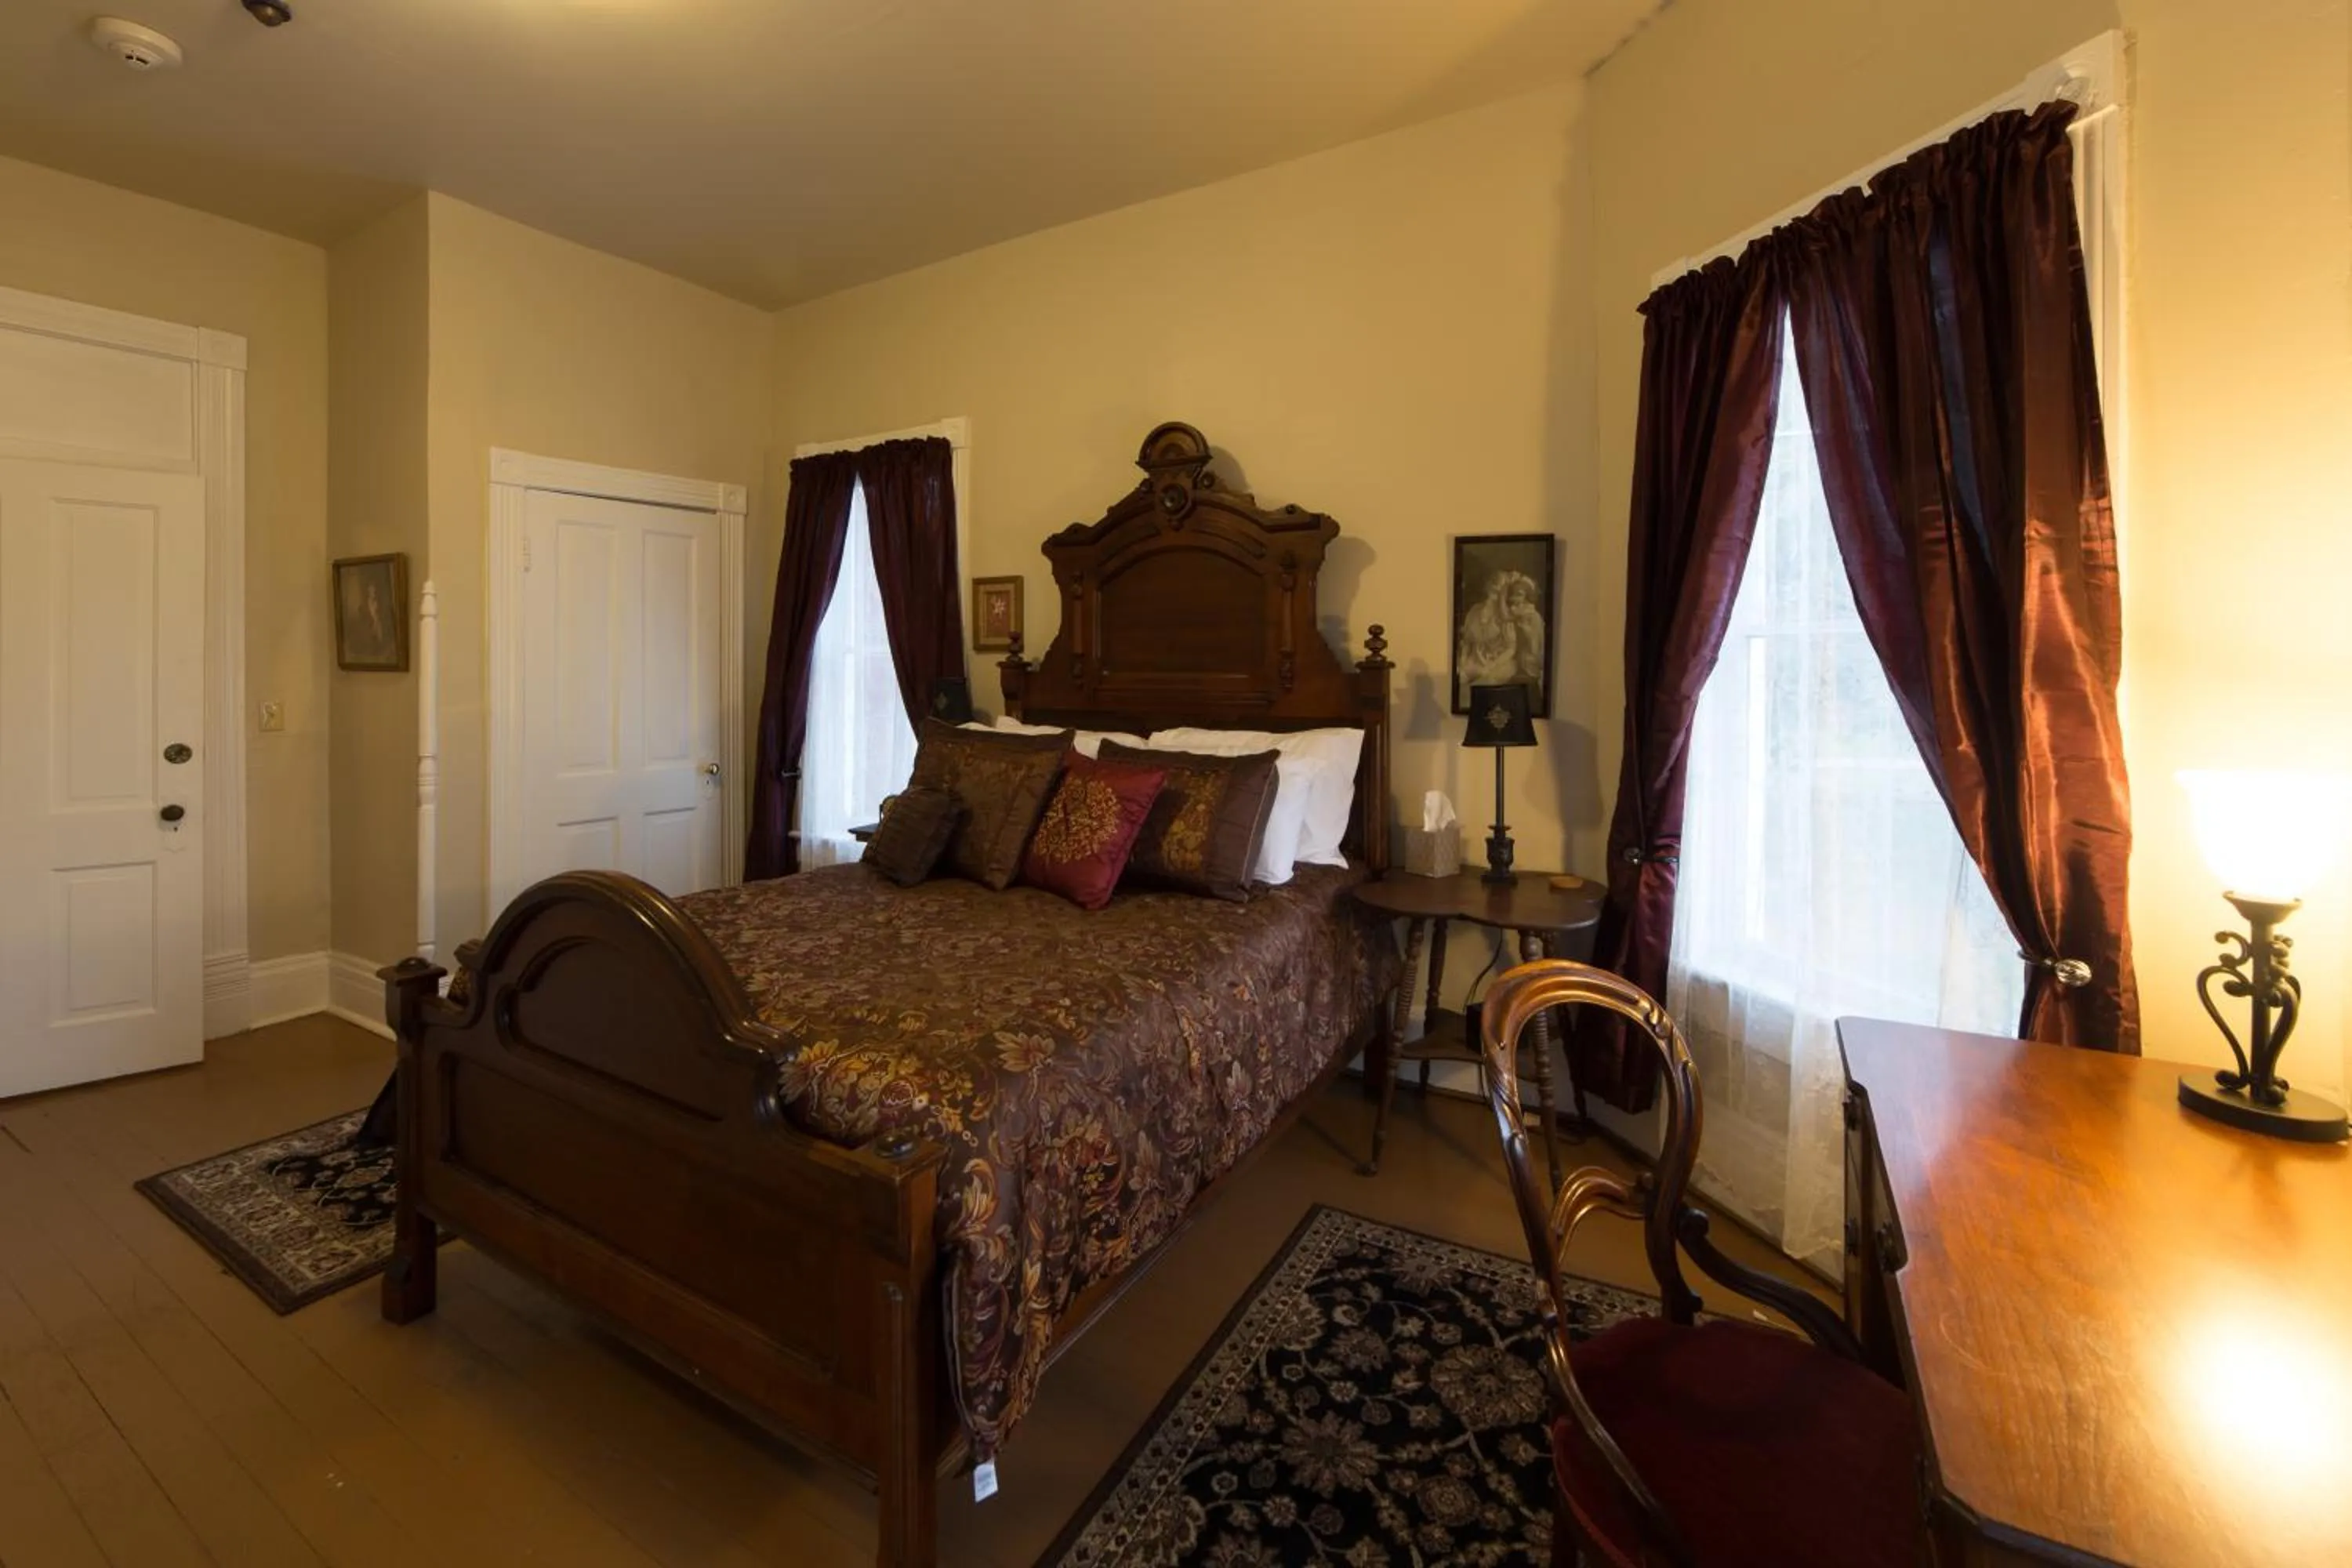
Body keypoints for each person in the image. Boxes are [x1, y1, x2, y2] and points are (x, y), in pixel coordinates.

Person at [1457, 567, 1543, 706]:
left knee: (1475, 691)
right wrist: (1463, 663)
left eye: (1501, 585)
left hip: (1500, 663)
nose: (1495, 586)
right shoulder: (1474, 611)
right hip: (1476, 660)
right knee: (1460, 684)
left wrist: (1490, 667)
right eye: (1494, 582)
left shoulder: (1507, 617)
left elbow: (1511, 649)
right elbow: (1467, 642)